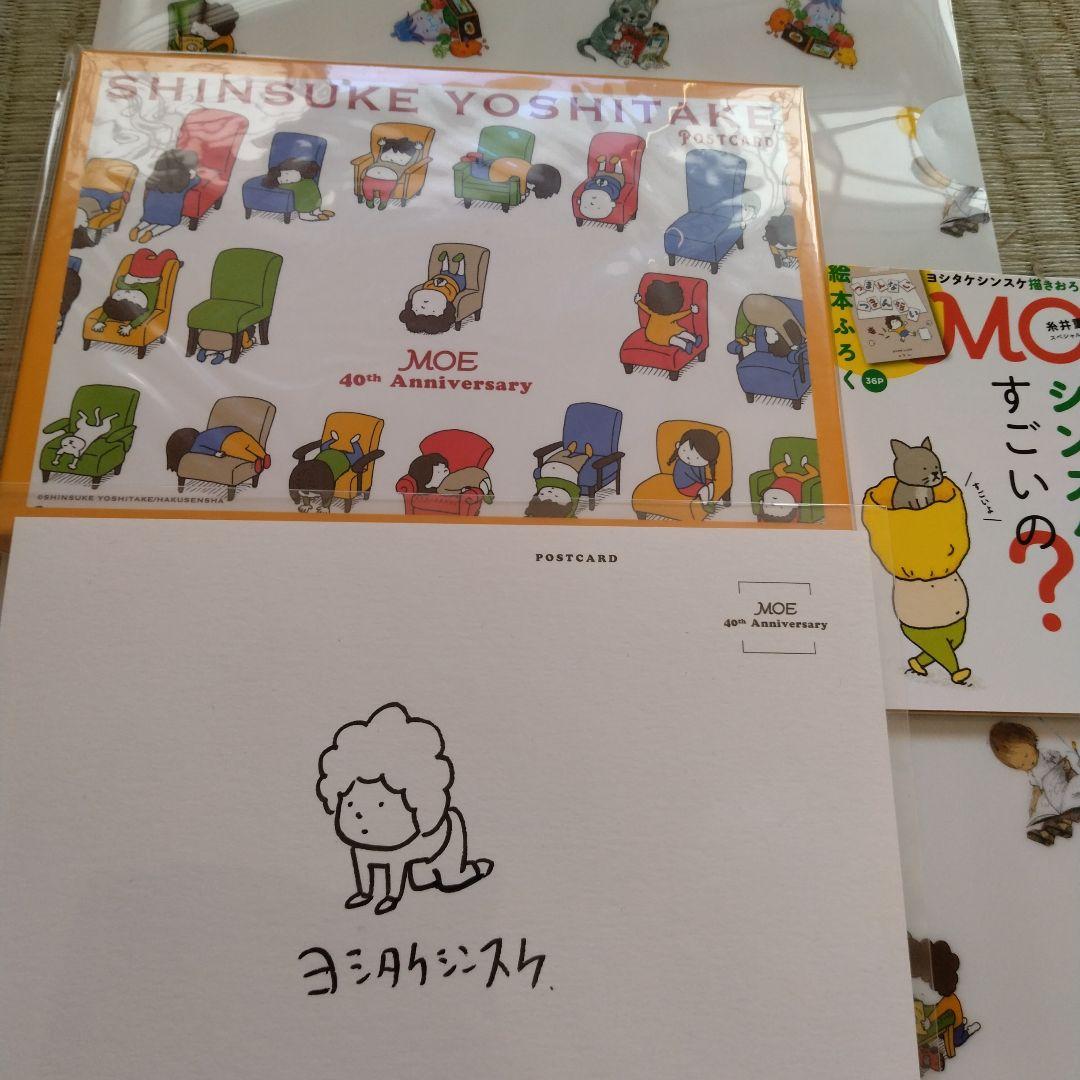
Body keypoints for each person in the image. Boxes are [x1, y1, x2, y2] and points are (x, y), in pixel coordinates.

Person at [989, 721, 1080, 845]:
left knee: (1069, 807)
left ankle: (1063, 826)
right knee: (1049, 817)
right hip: (1053, 798)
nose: (1028, 763)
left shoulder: (1046, 754)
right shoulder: (1031, 772)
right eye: (1021, 765)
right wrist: (1034, 803)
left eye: (1026, 755)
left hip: (1066, 787)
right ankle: (1048, 834)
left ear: (1031, 741)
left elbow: (1063, 762)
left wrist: (1066, 768)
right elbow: (1036, 788)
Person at [129, 149, 200, 242]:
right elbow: (196, 180)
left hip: (151, 208)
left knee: (148, 220)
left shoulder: (155, 178)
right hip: (170, 210)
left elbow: (147, 187)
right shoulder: (184, 182)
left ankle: (137, 228)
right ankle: (151, 233)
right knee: (169, 224)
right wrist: (194, 175)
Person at [399, 250, 468, 335]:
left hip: (445, 281)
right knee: (457, 274)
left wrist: (437, 283)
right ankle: (458, 260)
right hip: (451, 283)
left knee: (448, 272)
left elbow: (426, 285)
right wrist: (442, 285)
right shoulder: (439, 304)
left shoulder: (428, 302)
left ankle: (449, 259)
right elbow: (451, 295)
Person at [524, 441, 593, 518]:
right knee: (576, 462)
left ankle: (568, 451)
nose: (550, 491)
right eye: (556, 495)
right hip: (568, 473)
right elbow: (572, 509)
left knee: (556, 458)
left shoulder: (541, 486)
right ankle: (587, 455)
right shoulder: (571, 493)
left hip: (548, 470)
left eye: (542, 494)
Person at [635, 279, 701, 353]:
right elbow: (681, 315)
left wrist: (638, 302)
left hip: (670, 329)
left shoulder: (654, 312)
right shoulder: (667, 315)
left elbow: (645, 308)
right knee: (673, 339)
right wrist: (691, 311)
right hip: (656, 335)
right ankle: (685, 345)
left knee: (680, 332)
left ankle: (694, 339)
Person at [407, 451, 494, 504]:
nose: (446, 471)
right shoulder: (438, 491)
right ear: (428, 483)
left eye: (445, 468)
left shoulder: (451, 482)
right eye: (438, 472)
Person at [263, 157, 334, 222]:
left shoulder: (296, 166)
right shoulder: (280, 172)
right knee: (300, 189)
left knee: (310, 183)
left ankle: (316, 210)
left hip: (295, 179)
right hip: (284, 183)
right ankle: (304, 213)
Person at [669, 428, 719, 513]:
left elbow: (701, 475)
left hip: (695, 482)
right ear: (678, 445)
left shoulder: (699, 465)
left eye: (697, 457)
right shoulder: (681, 464)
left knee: (710, 484)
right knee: (704, 489)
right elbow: (685, 477)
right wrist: (702, 485)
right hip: (684, 486)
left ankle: (709, 500)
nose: (689, 458)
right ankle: (705, 504)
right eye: (684, 450)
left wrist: (703, 482)